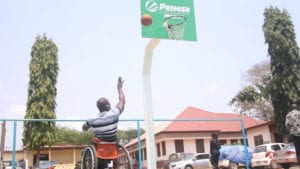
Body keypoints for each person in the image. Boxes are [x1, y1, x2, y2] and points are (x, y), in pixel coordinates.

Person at [82, 76, 125, 141]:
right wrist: (119, 88)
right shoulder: (114, 113)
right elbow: (122, 101)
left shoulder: (92, 119)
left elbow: (84, 128)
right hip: (112, 143)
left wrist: (87, 126)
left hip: (99, 145)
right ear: (108, 106)